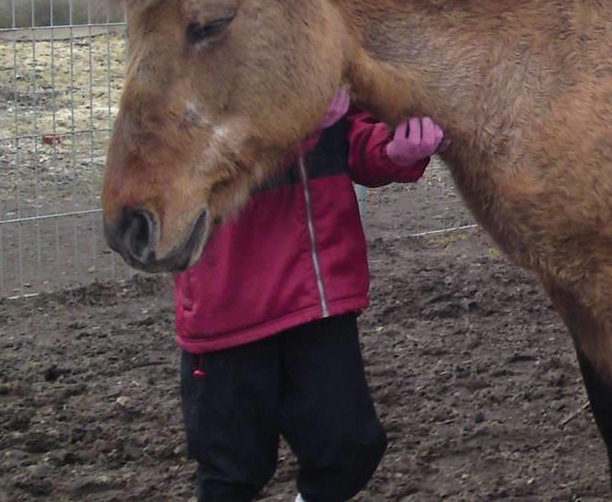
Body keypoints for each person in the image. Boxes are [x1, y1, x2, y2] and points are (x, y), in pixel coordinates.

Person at [175, 87, 446, 502]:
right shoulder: (190, 60)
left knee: (348, 449)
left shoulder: (324, 54)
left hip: (317, 292)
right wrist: (299, 127)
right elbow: (191, 158)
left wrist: (394, 150)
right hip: (229, 302)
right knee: (231, 474)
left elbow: (351, 136)